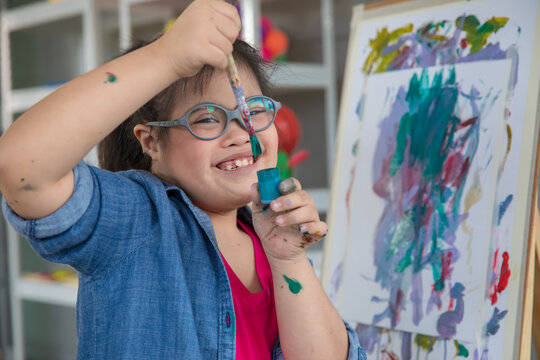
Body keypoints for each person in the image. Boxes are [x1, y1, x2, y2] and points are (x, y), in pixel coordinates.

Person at [0, 0, 366, 359]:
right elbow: (22, 167)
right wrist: (167, 58)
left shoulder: (271, 239)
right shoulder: (137, 221)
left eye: (252, 110)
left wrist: (289, 261)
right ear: (151, 141)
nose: (241, 134)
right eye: (207, 117)